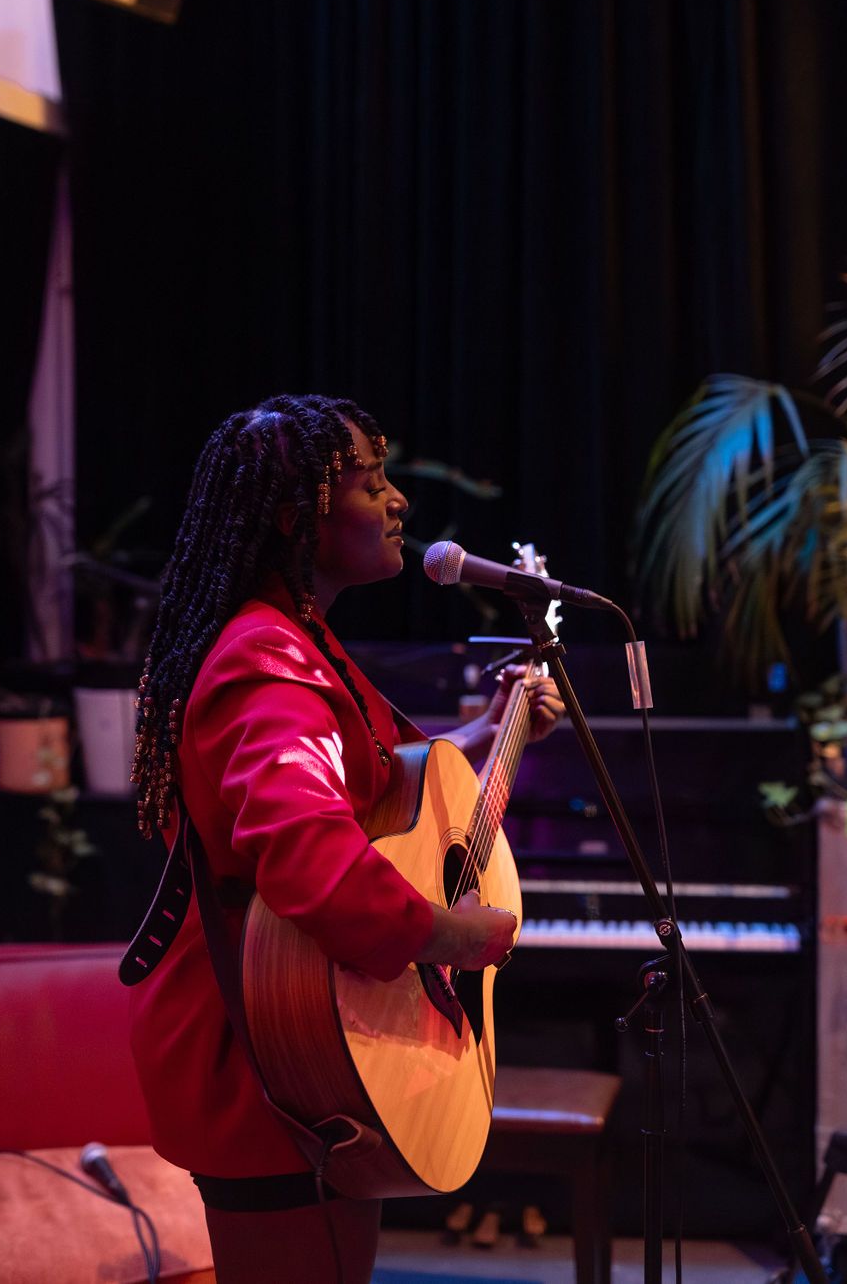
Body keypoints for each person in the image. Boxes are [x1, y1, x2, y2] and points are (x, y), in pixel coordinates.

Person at [128, 394, 564, 1284]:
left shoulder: (294, 640)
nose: (399, 500)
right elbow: (310, 857)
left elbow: (360, 783)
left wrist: (489, 729)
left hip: (306, 1041)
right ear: (299, 518)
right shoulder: (265, 659)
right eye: (371, 483)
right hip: (273, 1055)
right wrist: (449, 935)